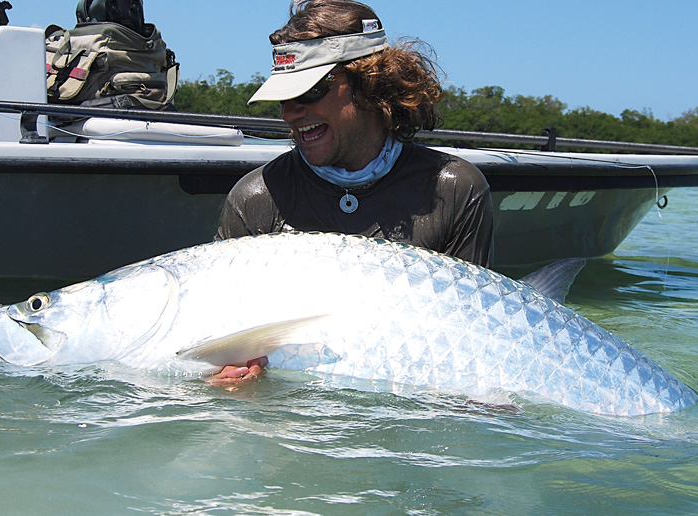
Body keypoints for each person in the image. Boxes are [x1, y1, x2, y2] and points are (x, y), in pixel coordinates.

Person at [210, 0, 494, 384]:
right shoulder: (256, 198)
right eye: (283, 96)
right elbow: (218, 340)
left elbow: (474, 338)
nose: (290, 112)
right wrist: (227, 377)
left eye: (309, 91)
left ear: (369, 83)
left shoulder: (456, 189)